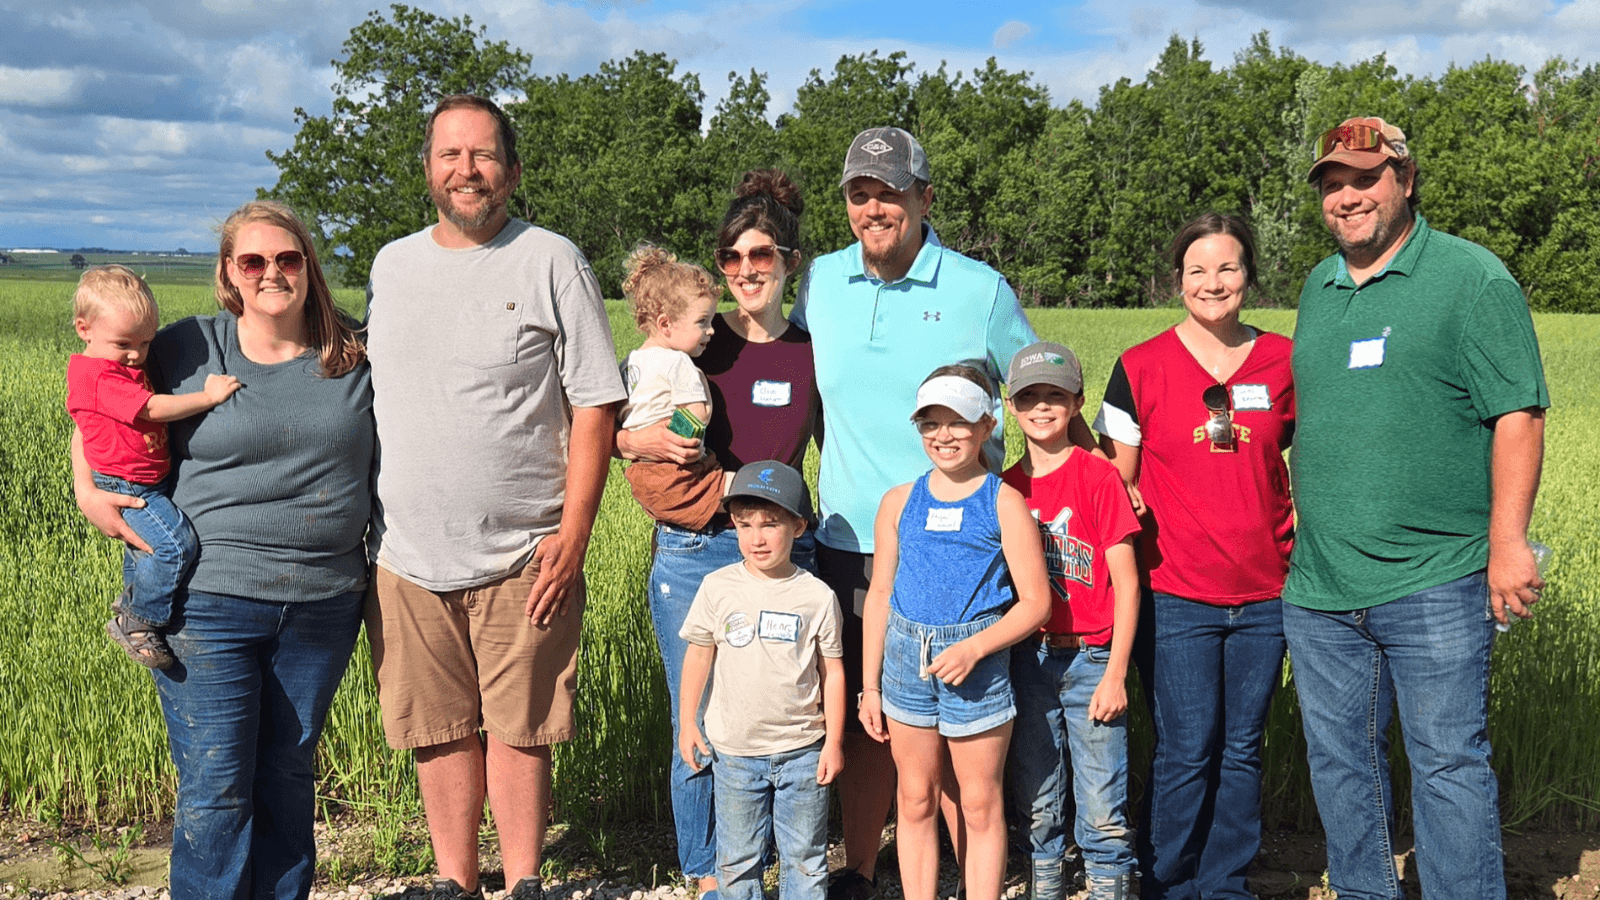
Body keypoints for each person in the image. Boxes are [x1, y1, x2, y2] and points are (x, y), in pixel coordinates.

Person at [794, 127, 1081, 897]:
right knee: (875, 721)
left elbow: (1036, 393)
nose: (875, 207)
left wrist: (1093, 481)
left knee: (963, 736)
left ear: (924, 197)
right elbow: (806, 399)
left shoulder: (978, 289)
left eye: (891, 191)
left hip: (967, 556)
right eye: (861, 193)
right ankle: (859, 869)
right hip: (855, 537)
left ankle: (974, 873)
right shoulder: (819, 283)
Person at [363, 94, 626, 900]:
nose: (465, 171)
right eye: (450, 155)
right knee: (436, 728)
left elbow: (594, 403)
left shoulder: (552, 260)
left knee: (521, 726)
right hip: (404, 551)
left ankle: (523, 881)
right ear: (428, 170)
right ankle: (453, 880)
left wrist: (574, 534)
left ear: (510, 172)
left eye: (482, 156)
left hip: (525, 549)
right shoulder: (391, 265)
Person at [71, 200, 373, 900]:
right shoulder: (186, 348)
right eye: (254, 261)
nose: (273, 272)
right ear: (228, 275)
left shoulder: (354, 352)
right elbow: (92, 404)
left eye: (288, 258)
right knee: (216, 785)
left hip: (324, 604)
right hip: (209, 602)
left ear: (308, 267)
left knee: (290, 776)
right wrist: (88, 489)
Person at [1285, 117, 1548, 900]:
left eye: (1365, 178)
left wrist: (1509, 544)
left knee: (1447, 763)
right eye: (1333, 184)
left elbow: (1520, 415)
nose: (1348, 196)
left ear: (1404, 180)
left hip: (1436, 580)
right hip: (1322, 590)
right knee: (1340, 766)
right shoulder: (1319, 287)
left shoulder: (1471, 279)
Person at [615, 169, 819, 899]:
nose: (743, 273)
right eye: (731, 259)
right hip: (695, 552)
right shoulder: (694, 343)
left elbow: (839, 441)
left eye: (759, 256)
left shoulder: (808, 352)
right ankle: (709, 876)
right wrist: (634, 445)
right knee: (697, 717)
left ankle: (780, 864)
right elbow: (608, 426)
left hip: (783, 556)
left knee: (782, 716)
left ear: (789, 261)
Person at [1095, 214, 1295, 900]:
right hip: (1175, 589)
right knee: (1186, 747)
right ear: (1177, 280)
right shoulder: (1140, 366)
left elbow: (1323, 457)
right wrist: (1128, 494)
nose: (1214, 283)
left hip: (1267, 591)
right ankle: (1167, 880)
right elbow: (1114, 475)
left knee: (1242, 748)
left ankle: (1225, 882)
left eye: (1228, 268)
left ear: (1249, 277)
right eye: (1198, 271)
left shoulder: (1287, 360)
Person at [858, 365, 1052, 900]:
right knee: (915, 799)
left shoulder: (1003, 502)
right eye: (930, 424)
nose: (943, 436)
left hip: (978, 665)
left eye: (958, 422)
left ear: (987, 426)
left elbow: (1035, 603)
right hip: (904, 663)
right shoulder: (899, 502)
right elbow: (879, 595)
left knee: (979, 802)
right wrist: (870, 687)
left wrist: (974, 648)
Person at [1003, 343, 1141, 900]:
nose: (1042, 407)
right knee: (1037, 793)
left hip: (1092, 656)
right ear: (1012, 407)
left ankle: (1110, 885)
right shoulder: (1007, 485)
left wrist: (1116, 674)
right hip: (1029, 656)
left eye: (1055, 396)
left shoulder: (1098, 477)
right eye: (1029, 397)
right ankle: (1046, 884)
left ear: (1077, 403)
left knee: (1103, 798)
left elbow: (1127, 583)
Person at [677, 460, 845, 900]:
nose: (756, 537)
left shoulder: (817, 596)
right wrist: (688, 722)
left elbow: (833, 672)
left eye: (770, 524)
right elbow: (698, 655)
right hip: (735, 753)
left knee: (805, 859)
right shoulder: (718, 588)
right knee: (736, 860)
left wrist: (834, 742)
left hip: (803, 752)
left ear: (798, 525)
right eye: (744, 524)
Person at [65, 264, 241, 669]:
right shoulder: (99, 377)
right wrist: (209, 396)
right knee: (176, 546)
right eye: (124, 343)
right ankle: (138, 618)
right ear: (83, 328)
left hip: (146, 480)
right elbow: (153, 408)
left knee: (145, 550)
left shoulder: (116, 365)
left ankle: (135, 598)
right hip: (129, 486)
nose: (136, 355)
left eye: (145, 343)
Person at [617, 244, 732, 529]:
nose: (711, 330)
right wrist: (678, 442)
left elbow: (617, 417)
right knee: (748, 491)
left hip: (642, 474)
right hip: (679, 472)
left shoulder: (627, 364)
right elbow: (696, 414)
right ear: (665, 323)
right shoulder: (677, 362)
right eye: (702, 322)